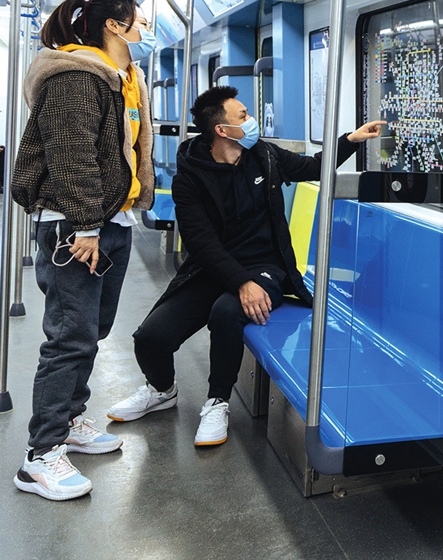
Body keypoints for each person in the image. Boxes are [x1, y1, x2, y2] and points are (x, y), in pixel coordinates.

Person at [107, 86, 384, 447]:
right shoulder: (189, 176)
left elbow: (312, 166)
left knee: (226, 313)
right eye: (242, 116)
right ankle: (162, 390)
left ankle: (217, 401)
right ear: (221, 130)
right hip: (213, 268)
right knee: (150, 338)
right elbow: (200, 242)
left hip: (266, 266)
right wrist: (239, 281)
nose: (250, 121)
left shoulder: (264, 156)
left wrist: (351, 139)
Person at [9, 0, 156, 501]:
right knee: (70, 336)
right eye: (140, 17)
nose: (146, 24)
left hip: (110, 217)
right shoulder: (76, 76)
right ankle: (39, 456)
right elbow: (71, 155)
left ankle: (69, 421)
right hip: (78, 223)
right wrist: (86, 225)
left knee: (93, 330)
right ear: (114, 25)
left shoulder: (122, 78)